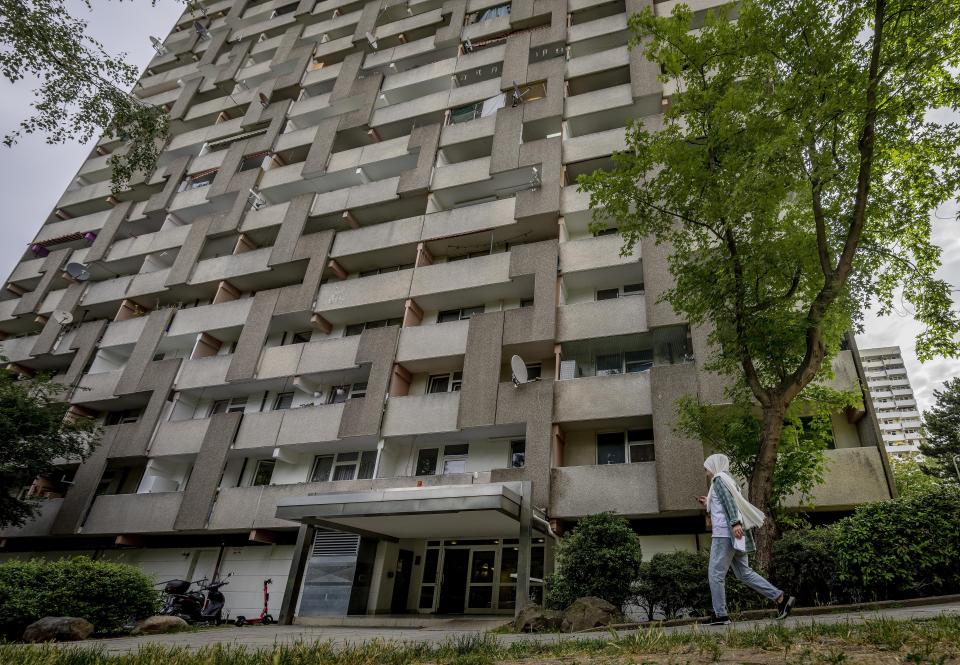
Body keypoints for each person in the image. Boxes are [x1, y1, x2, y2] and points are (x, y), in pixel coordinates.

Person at [696, 453, 796, 625]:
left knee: (715, 574)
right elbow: (725, 502)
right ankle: (781, 598)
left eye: (707, 469)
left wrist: (735, 523)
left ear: (714, 466)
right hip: (735, 534)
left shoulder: (719, 480)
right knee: (744, 573)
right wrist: (708, 502)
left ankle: (720, 615)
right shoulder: (729, 480)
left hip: (725, 534)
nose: (707, 473)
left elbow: (729, 503)